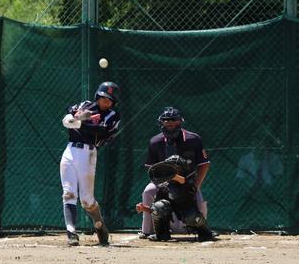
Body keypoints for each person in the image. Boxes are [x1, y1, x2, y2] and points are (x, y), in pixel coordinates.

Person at [135, 107, 214, 241]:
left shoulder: (193, 139)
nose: (170, 123)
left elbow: (204, 164)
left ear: (180, 122)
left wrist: (196, 185)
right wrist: (162, 182)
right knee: (149, 193)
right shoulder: (155, 141)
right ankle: (147, 231)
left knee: (198, 203)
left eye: (173, 121)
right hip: (162, 181)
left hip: (188, 181)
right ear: (161, 123)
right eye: (166, 121)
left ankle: (204, 230)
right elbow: (151, 169)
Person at [60, 82, 121, 246]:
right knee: (68, 193)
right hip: (70, 151)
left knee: (87, 200)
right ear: (97, 96)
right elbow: (68, 115)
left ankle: (99, 225)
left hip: (88, 154)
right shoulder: (86, 105)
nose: (105, 102)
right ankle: (71, 232)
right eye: (103, 98)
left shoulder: (113, 116)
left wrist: (79, 122)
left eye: (109, 100)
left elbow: (101, 131)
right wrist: (78, 116)